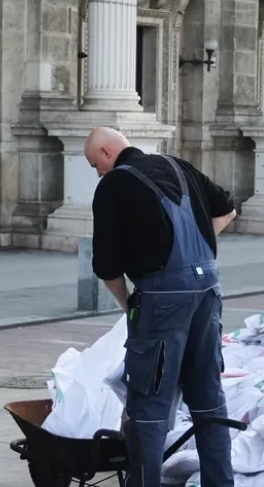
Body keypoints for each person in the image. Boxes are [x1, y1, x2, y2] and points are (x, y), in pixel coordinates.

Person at [85, 126, 237, 487]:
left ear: (107, 153)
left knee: (149, 406)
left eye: (95, 164)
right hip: (208, 291)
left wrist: (129, 306)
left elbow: (106, 267)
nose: (97, 172)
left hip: (162, 298)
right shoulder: (180, 166)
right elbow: (228, 209)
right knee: (208, 399)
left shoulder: (113, 186)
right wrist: (195, 247)